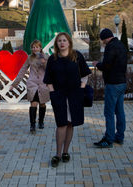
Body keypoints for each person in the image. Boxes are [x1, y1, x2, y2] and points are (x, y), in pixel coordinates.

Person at [43, 32, 91, 167]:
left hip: (75, 95)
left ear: (69, 42)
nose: (62, 43)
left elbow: (85, 75)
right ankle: (57, 154)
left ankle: (65, 152)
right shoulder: (53, 59)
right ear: (56, 44)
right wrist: (53, 94)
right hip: (59, 95)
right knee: (61, 124)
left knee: (70, 123)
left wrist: (81, 89)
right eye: (59, 41)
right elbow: (48, 80)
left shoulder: (77, 56)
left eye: (64, 40)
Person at [93, 28, 127, 148]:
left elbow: (107, 65)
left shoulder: (110, 47)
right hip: (122, 82)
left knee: (109, 112)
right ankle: (120, 137)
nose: (103, 43)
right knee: (120, 111)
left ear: (105, 38)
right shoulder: (121, 45)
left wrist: (97, 64)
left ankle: (108, 139)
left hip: (112, 84)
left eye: (102, 40)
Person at [11, 40, 50, 133]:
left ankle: (41, 122)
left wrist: (43, 61)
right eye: (33, 47)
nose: (34, 49)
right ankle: (32, 125)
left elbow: (49, 70)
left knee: (42, 104)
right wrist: (14, 84)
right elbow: (22, 70)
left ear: (40, 48)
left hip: (43, 84)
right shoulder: (29, 58)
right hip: (32, 84)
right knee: (33, 104)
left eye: (36, 47)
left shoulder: (46, 57)